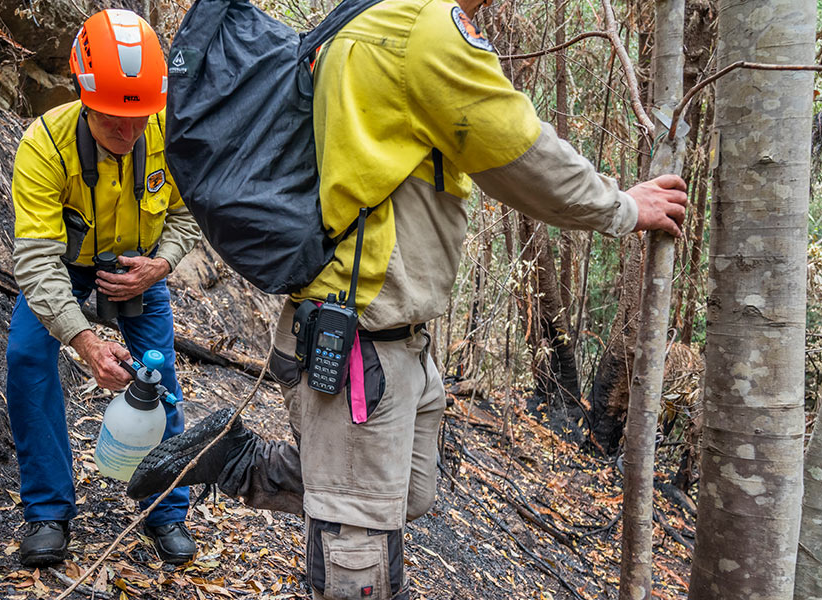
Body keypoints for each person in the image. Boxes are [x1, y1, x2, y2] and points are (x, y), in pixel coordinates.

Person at [129, 0, 688, 597]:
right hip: (359, 340)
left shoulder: (373, 17)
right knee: (359, 551)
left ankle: (240, 462)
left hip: (399, 339)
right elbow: (520, 154)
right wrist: (624, 207)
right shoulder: (421, 26)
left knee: (407, 494)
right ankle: (279, 481)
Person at [6, 8, 201, 567]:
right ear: (83, 95)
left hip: (138, 265)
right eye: (114, 119)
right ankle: (48, 510)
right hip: (65, 263)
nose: (129, 131)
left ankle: (166, 510)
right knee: (27, 357)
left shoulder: (166, 131)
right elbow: (38, 260)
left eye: (139, 117)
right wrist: (83, 340)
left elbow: (189, 216)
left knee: (157, 374)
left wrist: (160, 265)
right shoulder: (44, 147)